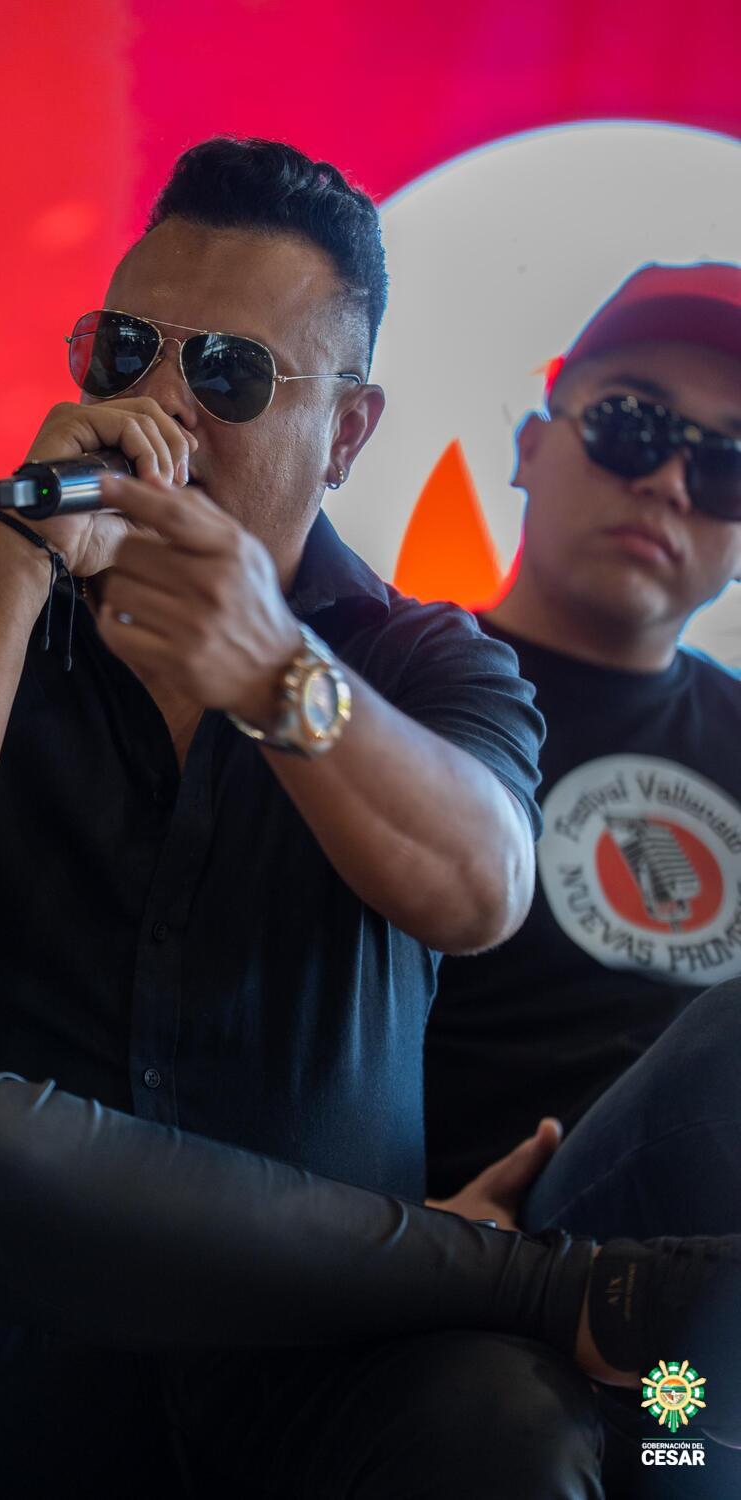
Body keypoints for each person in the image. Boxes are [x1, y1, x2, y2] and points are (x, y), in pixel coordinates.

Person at [0, 143, 739, 1500]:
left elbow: (481, 889)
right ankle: (544, 1288)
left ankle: (560, 1325)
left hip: (303, 1381)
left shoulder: (421, 663)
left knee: (518, 1422)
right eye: (124, 352)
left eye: (227, 376)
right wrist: (13, 562)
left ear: (347, 436)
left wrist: (275, 675)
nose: (156, 406)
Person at [424, 262, 741, 1495]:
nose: (666, 482)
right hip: (480, 1250)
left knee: (675, 1435)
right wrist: (370, 1241)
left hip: (678, 1336)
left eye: (725, 466)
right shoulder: (392, 690)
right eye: (630, 424)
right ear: (529, 445)